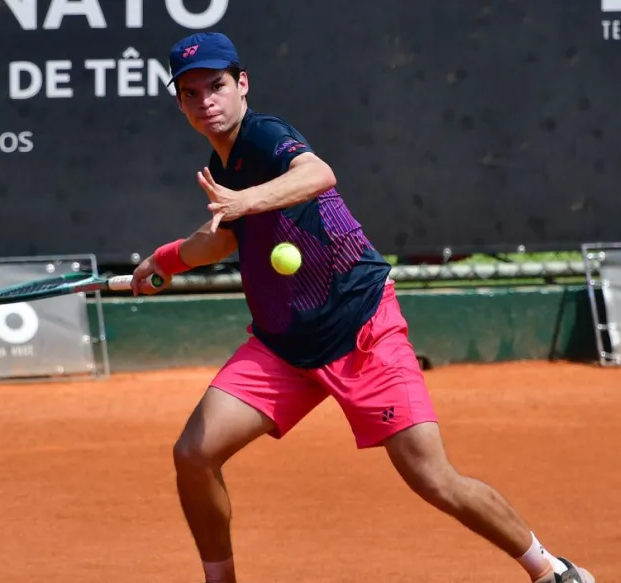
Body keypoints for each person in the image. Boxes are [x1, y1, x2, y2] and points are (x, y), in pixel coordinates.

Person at [130, 31, 596, 583]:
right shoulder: (223, 163)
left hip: (361, 331)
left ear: (242, 83)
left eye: (216, 86)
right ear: (180, 102)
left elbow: (317, 174)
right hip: (284, 347)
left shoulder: (265, 136)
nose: (206, 100)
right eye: (190, 93)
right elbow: (221, 239)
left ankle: (552, 570)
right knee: (194, 453)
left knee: (433, 477)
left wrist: (248, 199)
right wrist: (163, 261)